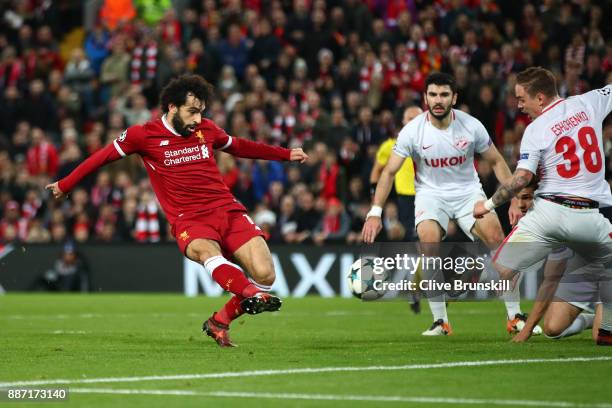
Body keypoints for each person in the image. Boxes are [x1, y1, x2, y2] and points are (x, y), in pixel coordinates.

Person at [46, 74, 308, 347]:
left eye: (201, 112)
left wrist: (285, 154)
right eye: (192, 111)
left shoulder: (206, 129)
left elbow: (240, 146)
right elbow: (102, 157)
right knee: (209, 254)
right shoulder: (142, 135)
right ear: (172, 107)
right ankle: (250, 292)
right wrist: (65, 184)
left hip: (227, 209)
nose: (197, 119)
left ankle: (220, 320)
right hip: (190, 220)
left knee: (266, 275)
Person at [362, 72, 530, 336]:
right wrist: (375, 212)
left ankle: (515, 317)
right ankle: (440, 321)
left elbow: (497, 161)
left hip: (467, 193)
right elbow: (388, 172)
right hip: (430, 195)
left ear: (454, 97)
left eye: (443, 94)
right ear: (425, 97)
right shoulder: (413, 131)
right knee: (429, 244)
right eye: (432, 94)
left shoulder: (471, 126)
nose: (437, 100)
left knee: (497, 238)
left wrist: (515, 198)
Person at [473, 67, 612, 345]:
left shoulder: (536, 129)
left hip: (562, 212)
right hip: (582, 216)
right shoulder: (590, 101)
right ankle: (598, 311)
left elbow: (522, 177)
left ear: (539, 97)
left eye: (521, 99)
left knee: (496, 273)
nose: (519, 105)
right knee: (556, 327)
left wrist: (487, 205)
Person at [512, 182, 602, 342]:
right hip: (584, 266)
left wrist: (526, 331)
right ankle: (594, 318)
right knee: (552, 329)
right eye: (518, 199)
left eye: (526, 198)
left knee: (602, 337)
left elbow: (551, 279)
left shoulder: (560, 216)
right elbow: (550, 279)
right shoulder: (548, 223)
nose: (521, 205)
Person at [369, 105, 422, 241]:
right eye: (410, 118)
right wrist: (375, 197)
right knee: (407, 236)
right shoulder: (390, 146)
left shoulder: (435, 143)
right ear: (403, 121)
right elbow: (376, 172)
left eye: (417, 119)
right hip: (404, 198)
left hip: (430, 195)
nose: (413, 122)